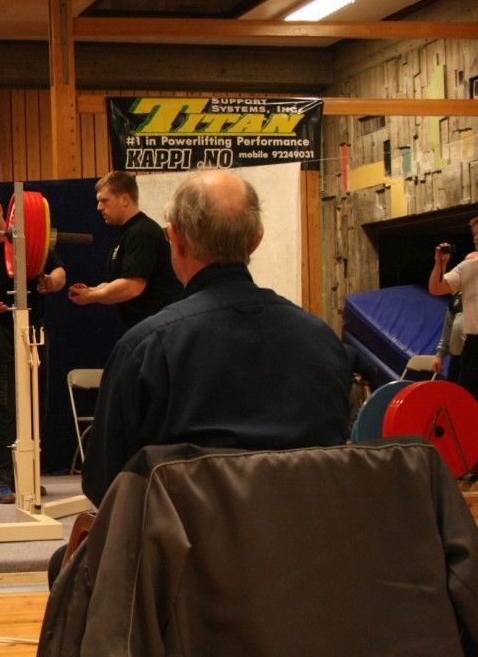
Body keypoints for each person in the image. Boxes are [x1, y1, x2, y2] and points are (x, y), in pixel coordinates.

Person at [81, 169, 352, 509]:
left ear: (175, 239)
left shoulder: (144, 350)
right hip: (304, 536)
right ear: (257, 239)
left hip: (187, 542)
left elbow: (104, 485)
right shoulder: (324, 342)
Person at [0, 189, 66, 504]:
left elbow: (59, 270)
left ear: (1, 210)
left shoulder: (25, 239)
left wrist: (52, 281)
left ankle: (27, 477)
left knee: (35, 405)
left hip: (34, 331)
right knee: (0, 409)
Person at [68, 170, 181, 325]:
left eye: (104, 201)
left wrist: (91, 296)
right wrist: (91, 290)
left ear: (125, 200)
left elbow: (132, 286)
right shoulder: (127, 232)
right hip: (147, 325)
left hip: (162, 326)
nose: (99, 207)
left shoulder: (143, 232)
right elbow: (118, 284)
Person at [429, 219, 478, 400]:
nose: (476, 238)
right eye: (475, 235)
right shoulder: (467, 267)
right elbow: (436, 288)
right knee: (468, 398)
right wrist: (439, 265)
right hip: (474, 343)